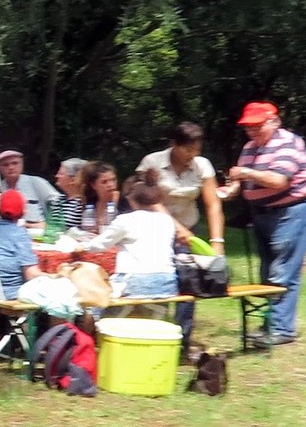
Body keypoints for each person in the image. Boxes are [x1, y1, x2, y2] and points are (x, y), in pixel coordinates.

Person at [223, 101, 306, 347]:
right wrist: (230, 190)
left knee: (283, 270)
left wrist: (246, 174)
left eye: (257, 126)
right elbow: (240, 181)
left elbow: (278, 181)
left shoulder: (288, 143)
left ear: (274, 121)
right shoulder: (250, 148)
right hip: (263, 214)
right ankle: (271, 325)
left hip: (295, 210)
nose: (252, 131)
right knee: (268, 271)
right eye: (248, 127)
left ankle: (281, 329)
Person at [136, 122, 226, 254]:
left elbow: (213, 204)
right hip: (155, 229)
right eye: (189, 150)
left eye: (197, 150)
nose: (193, 154)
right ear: (174, 144)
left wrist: (217, 241)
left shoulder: (202, 165)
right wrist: (178, 229)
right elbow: (151, 201)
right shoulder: (152, 163)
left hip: (188, 226)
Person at [83, 176, 178, 298]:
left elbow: (99, 245)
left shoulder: (125, 220)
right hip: (167, 282)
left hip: (136, 281)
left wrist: (81, 246)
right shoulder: (167, 220)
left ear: (131, 198)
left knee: (95, 293)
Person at [0, 150, 59, 228]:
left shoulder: (36, 182)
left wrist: (51, 224)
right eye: (5, 165)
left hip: (37, 229)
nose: (11, 167)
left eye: (15, 163)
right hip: (7, 228)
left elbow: (57, 202)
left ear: (22, 164)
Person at [80, 160, 121, 232]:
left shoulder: (123, 202)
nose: (111, 185)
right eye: (104, 182)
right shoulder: (90, 203)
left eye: (113, 180)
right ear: (93, 185)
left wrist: (114, 203)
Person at [49, 157, 87, 229]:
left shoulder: (82, 203)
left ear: (73, 180)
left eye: (61, 174)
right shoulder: (58, 200)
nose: (56, 176)